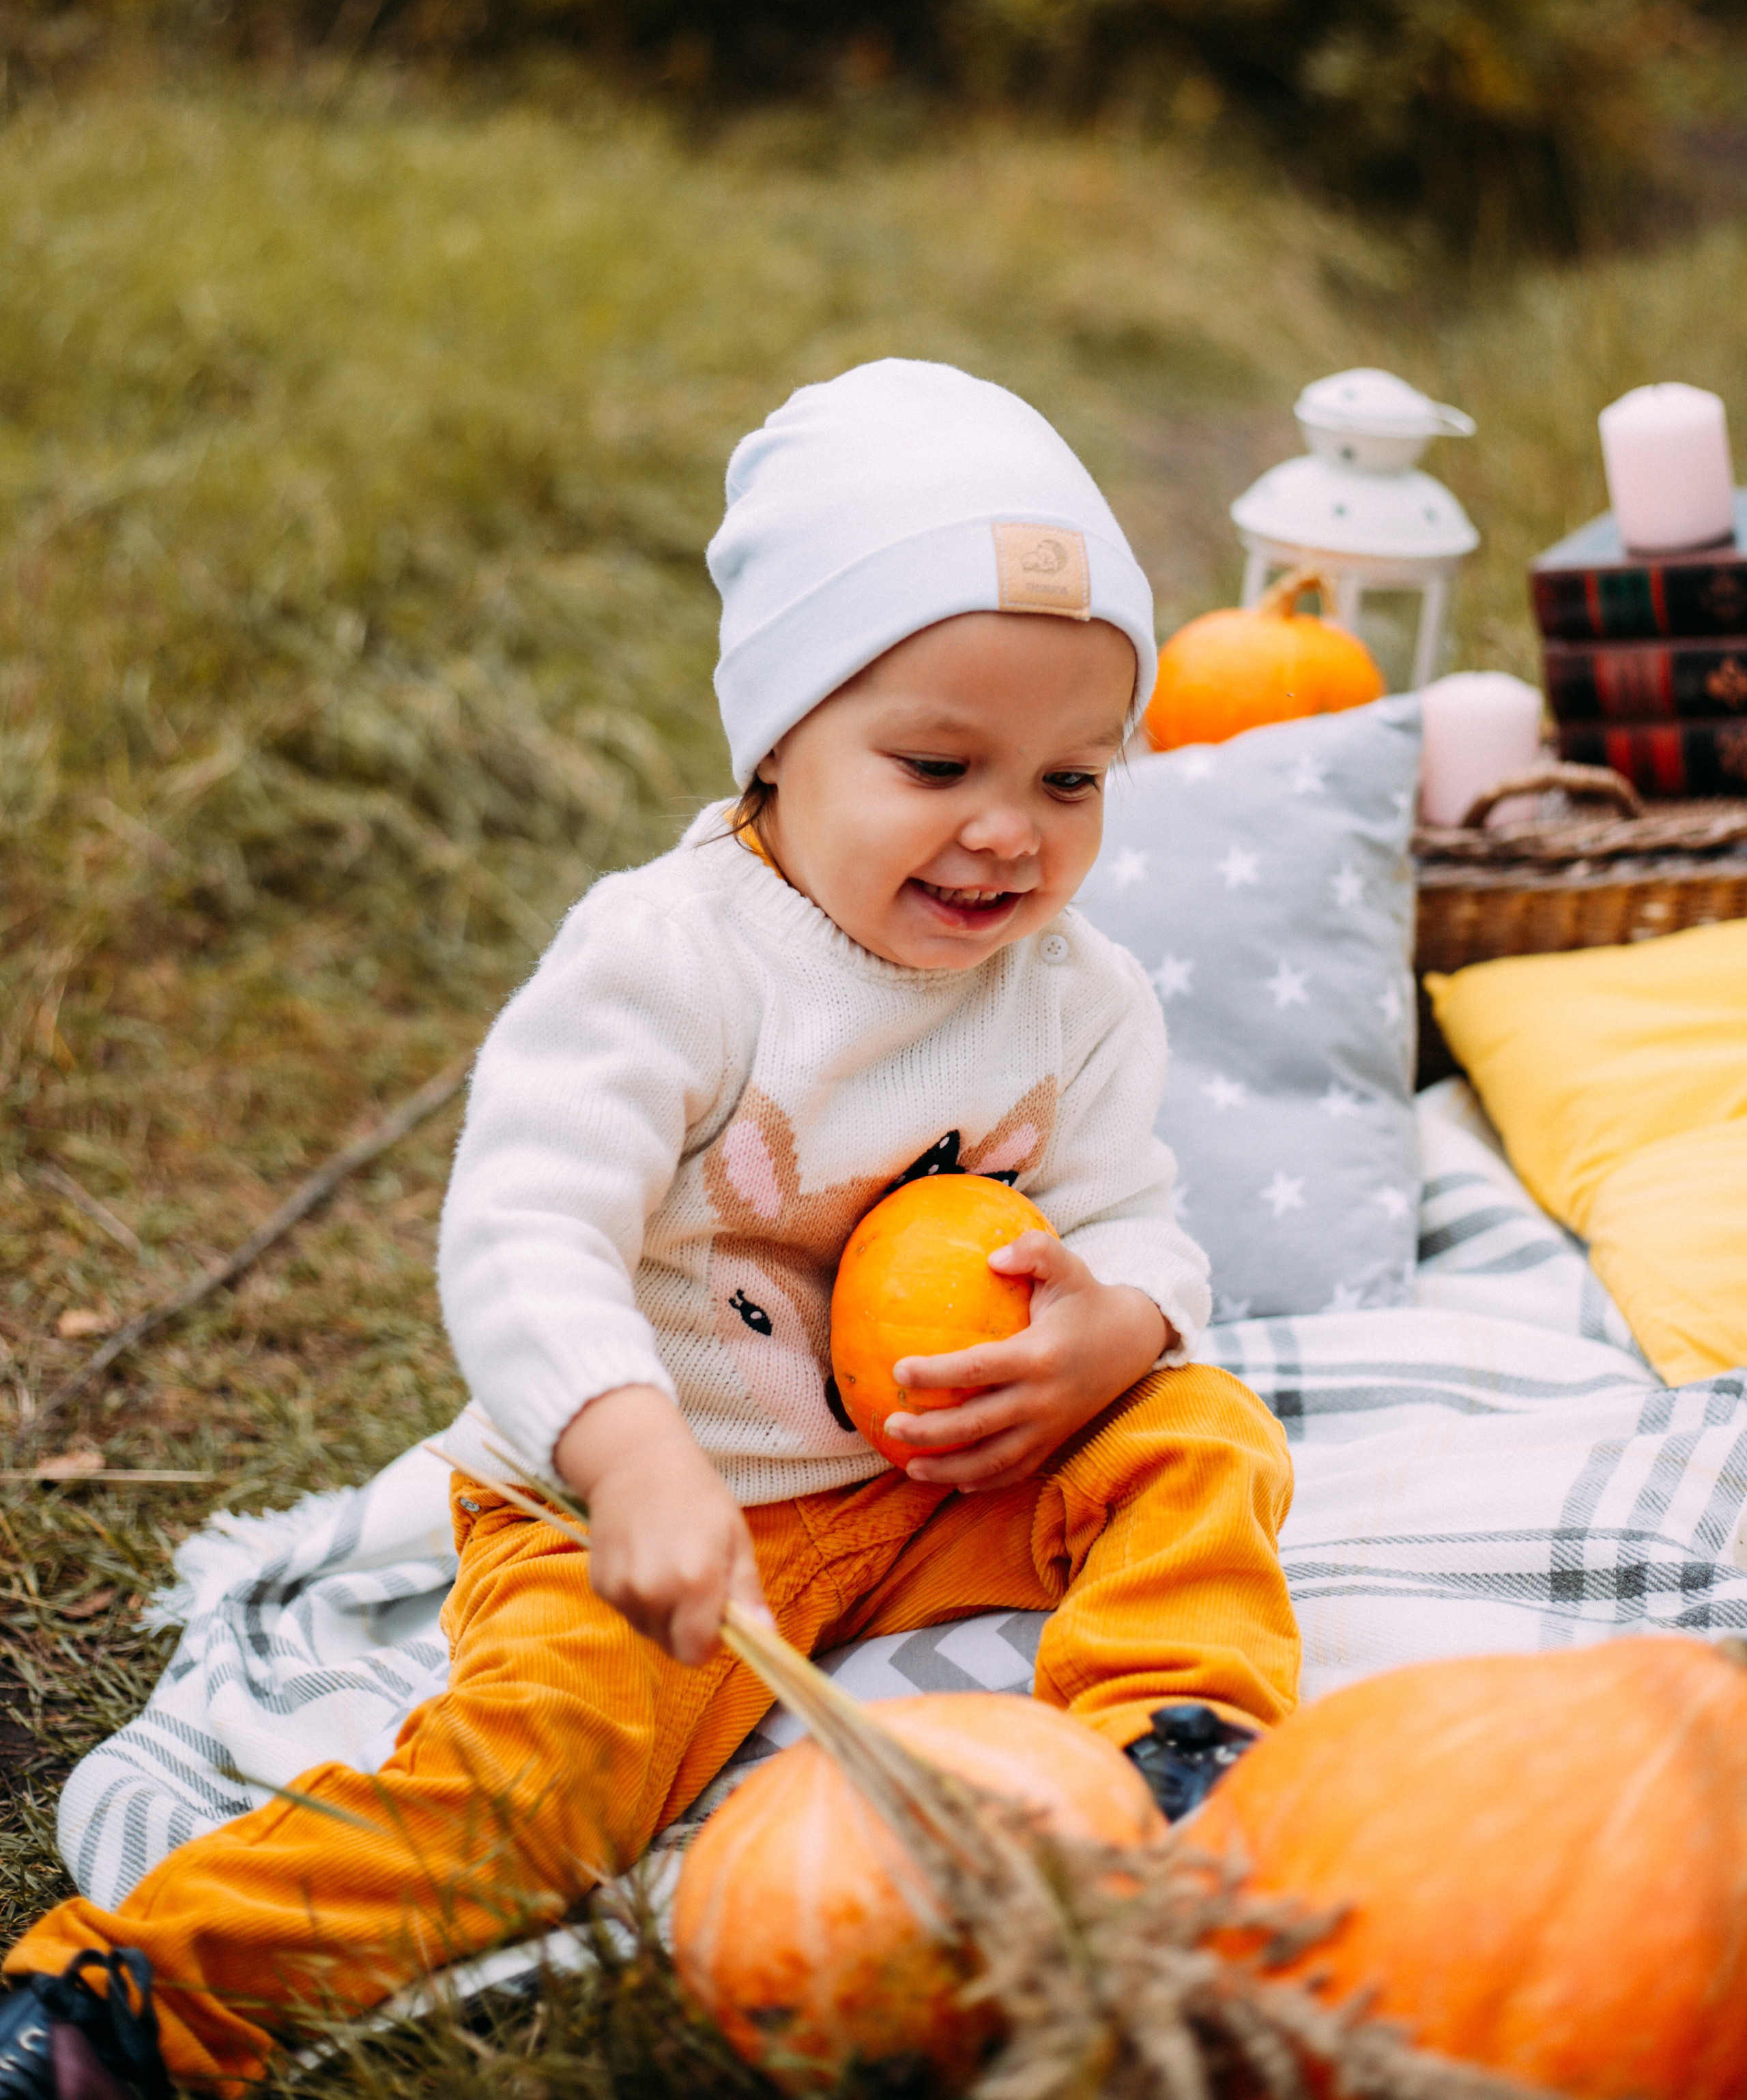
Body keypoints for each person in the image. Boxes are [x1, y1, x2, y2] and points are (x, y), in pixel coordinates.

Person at [0, 360, 1298, 2100]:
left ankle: (1180, 1737)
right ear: (775, 741)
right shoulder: (670, 962)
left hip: (928, 1484)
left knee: (1198, 1430)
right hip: (649, 1524)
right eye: (936, 764)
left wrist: (1111, 1328)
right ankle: (146, 1990)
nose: (1008, 833)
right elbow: (522, 1230)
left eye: (1073, 781)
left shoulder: (1075, 994)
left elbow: (1137, 1210)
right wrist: (625, 1459)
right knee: (536, 1782)